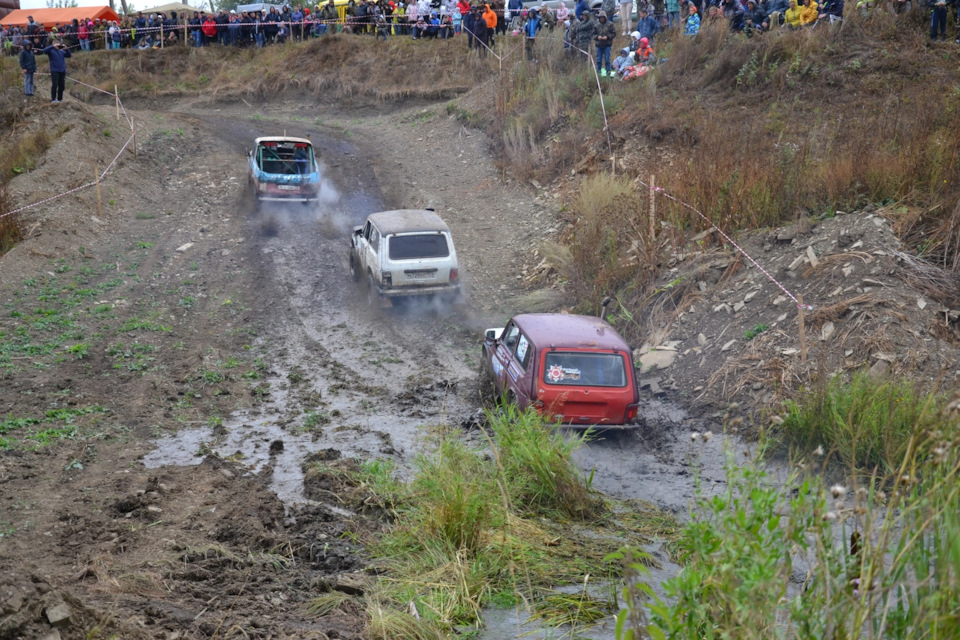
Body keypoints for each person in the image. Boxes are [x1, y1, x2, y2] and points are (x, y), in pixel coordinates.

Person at [42, 39, 71, 104]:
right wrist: (52, 46)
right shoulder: (51, 51)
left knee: (62, 86)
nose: (58, 45)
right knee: (55, 85)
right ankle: (53, 98)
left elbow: (69, 55)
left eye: (58, 44)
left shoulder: (61, 51)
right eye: (56, 44)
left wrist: (66, 49)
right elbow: (44, 50)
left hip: (62, 70)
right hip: (54, 70)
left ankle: (60, 98)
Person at [594, 10, 615, 76]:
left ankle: (608, 72)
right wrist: (597, 37)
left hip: (607, 45)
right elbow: (593, 35)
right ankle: (599, 72)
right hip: (599, 45)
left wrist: (608, 37)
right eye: (600, 17)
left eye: (603, 17)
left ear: (605, 17)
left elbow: (614, 33)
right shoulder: (596, 25)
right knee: (598, 60)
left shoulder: (610, 24)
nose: (602, 19)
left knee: (607, 60)